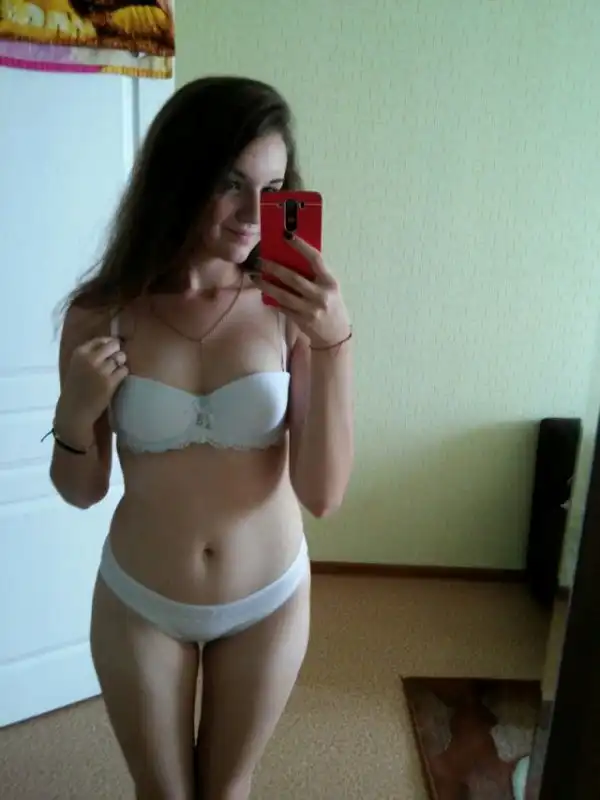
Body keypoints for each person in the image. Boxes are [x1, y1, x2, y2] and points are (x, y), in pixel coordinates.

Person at [48, 75, 353, 800]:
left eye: (272, 188)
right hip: (140, 597)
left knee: (227, 791)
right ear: (178, 177)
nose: (253, 214)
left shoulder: (289, 309)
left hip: (268, 596)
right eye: (229, 183)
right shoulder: (102, 313)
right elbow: (82, 490)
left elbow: (322, 495)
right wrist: (75, 413)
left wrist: (334, 343)